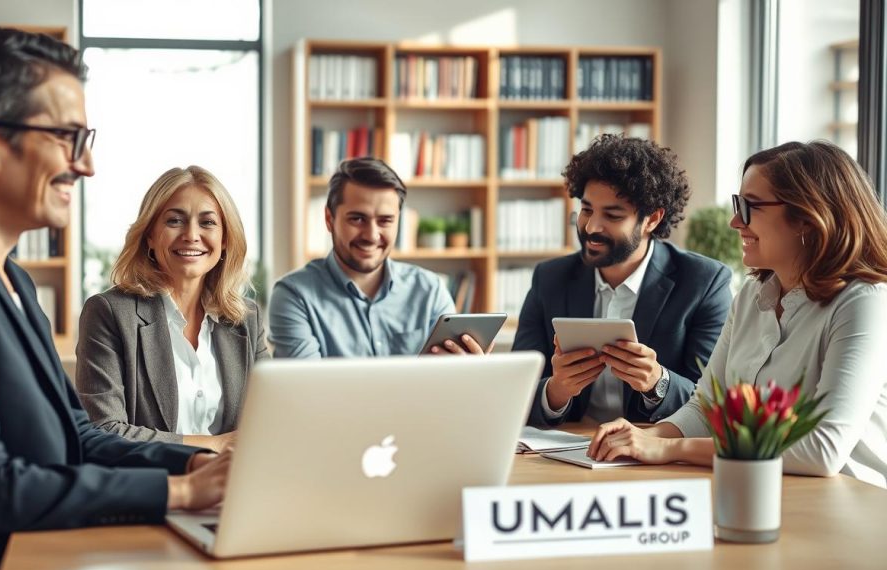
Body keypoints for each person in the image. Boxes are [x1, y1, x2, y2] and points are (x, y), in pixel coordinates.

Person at [0, 27, 229, 570]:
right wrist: (178, 492)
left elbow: (76, 438)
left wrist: (197, 464)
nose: (86, 165)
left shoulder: (10, 277)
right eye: (66, 138)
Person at [588, 141, 887, 488]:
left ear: (807, 217)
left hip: (848, 500)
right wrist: (642, 438)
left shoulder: (866, 302)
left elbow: (823, 449)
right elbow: (706, 408)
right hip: (759, 488)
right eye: (737, 205)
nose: (734, 221)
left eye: (749, 207)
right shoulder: (751, 295)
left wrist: (668, 448)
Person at [513, 134, 732, 427]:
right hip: (567, 444)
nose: (592, 227)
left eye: (613, 215)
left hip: (652, 447)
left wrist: (657, 382)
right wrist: (556, 390)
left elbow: (713, 404)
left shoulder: (704, 283)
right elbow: (515, 390)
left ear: (652, 219)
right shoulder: (550, 278)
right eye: (587, 210)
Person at [76, 166, 268, 453]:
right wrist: (213, 445)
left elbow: (271, 420)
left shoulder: (247, 319)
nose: (191, 235)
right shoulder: (108, 313)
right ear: (150, 236)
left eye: (207, 223)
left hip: (237, 477)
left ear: (225, 239)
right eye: (175, 221)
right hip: (157, 480)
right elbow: (104, 431)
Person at [269, 157, 487, 357]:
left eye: (385, 221)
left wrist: (469, 371)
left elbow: (449, 380)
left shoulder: (430, 291)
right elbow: (307, 385)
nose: (371, 236)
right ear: (329, 219)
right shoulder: (295, 296)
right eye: (357, 219)